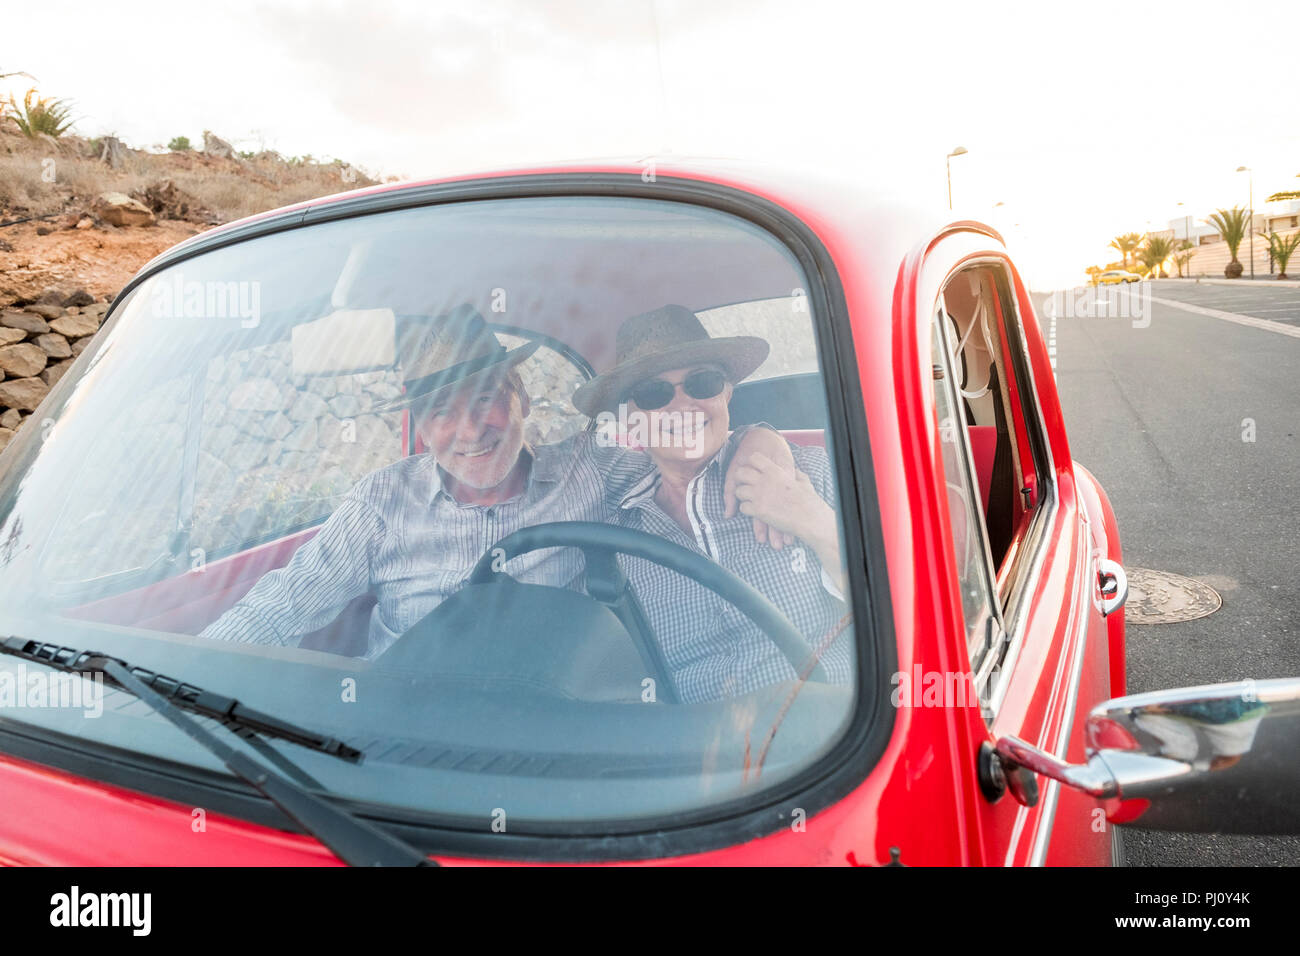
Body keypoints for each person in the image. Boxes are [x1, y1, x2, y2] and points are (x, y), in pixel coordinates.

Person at [200, 304, 794, 659]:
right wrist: (195, 674)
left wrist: (760, 439)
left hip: (548, 728)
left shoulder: (591, 466)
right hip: (399, 732)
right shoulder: (382, 501)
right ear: (421, 428)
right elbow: (284, 604)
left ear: (522, 398)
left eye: (486, 399)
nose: (469, 430)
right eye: (440, 412)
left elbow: (683, 439)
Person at [572, 304, 854, 703]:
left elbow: (903, 613)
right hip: (692, 755)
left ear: (728, 392)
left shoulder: (807, 474)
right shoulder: (614, 533)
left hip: (835, 739)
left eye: (703, 383)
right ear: (627, 416)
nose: (683, 405)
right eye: (653, 393)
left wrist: (815, 522)